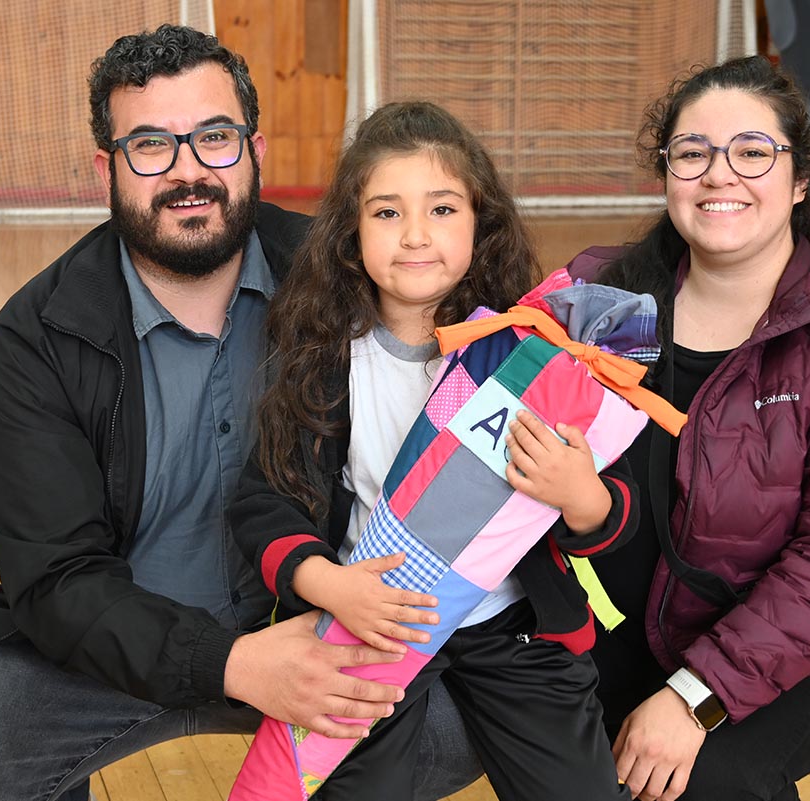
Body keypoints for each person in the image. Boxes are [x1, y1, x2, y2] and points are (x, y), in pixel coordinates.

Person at [0, 26, 471, 801]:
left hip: (319, 625)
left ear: (253, 148)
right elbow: (58, 580)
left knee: (480, 716)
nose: (189, 171)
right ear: (108, 167)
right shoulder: (37, 338)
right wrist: (233, 663)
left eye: (214, 138)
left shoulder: (348, 280)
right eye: (151, 145)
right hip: (101, 651)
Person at [559, 56, 810, 801]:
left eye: (753, 151)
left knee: (691, 782)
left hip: (809, 649)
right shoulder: (600, 294)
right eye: (693, 153)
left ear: (799, 180)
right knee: (546, 760)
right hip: (620, 627)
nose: (719, 174)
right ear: (667, 172)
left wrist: (694, 697)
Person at [235, 100, 637, 800]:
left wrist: (580, 494)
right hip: (375, 621)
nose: (415, 235)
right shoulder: (325, 356)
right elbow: (263, 500)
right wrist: (328, 586)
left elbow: (612, 511)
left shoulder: (529, 351)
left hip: (511, 623)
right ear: (351, 231)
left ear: (481, 222)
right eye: (387, 212)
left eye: (443, 209)